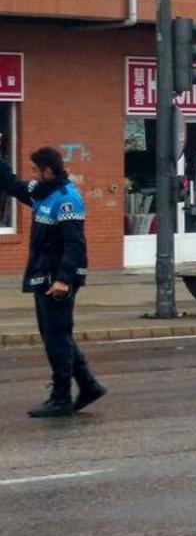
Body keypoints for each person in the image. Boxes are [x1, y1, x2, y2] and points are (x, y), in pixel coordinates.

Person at [0, 146, 104, 418]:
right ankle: (89, 385)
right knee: (56, 334)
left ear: (48, 171)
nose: (32, 175)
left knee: (56, 336)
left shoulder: (66, 198)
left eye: (35, 170)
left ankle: (61, 397)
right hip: (43, 272)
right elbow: (12, 185)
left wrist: (63, 280)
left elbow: (75, 245)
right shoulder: (41, 191)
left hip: (57, 278)